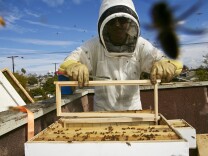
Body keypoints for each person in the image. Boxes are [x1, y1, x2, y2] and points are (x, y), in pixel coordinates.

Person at [58, 0, 183, 111]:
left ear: (130, 22)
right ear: (104, 23)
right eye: (112, 21)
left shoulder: (141, 45)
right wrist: (73, 66)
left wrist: (166, 65)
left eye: (122, 20)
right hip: (102, 115)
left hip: (134, 113)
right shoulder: (93, 46)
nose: (117, 25)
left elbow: (172, 62)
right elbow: (67, 63)